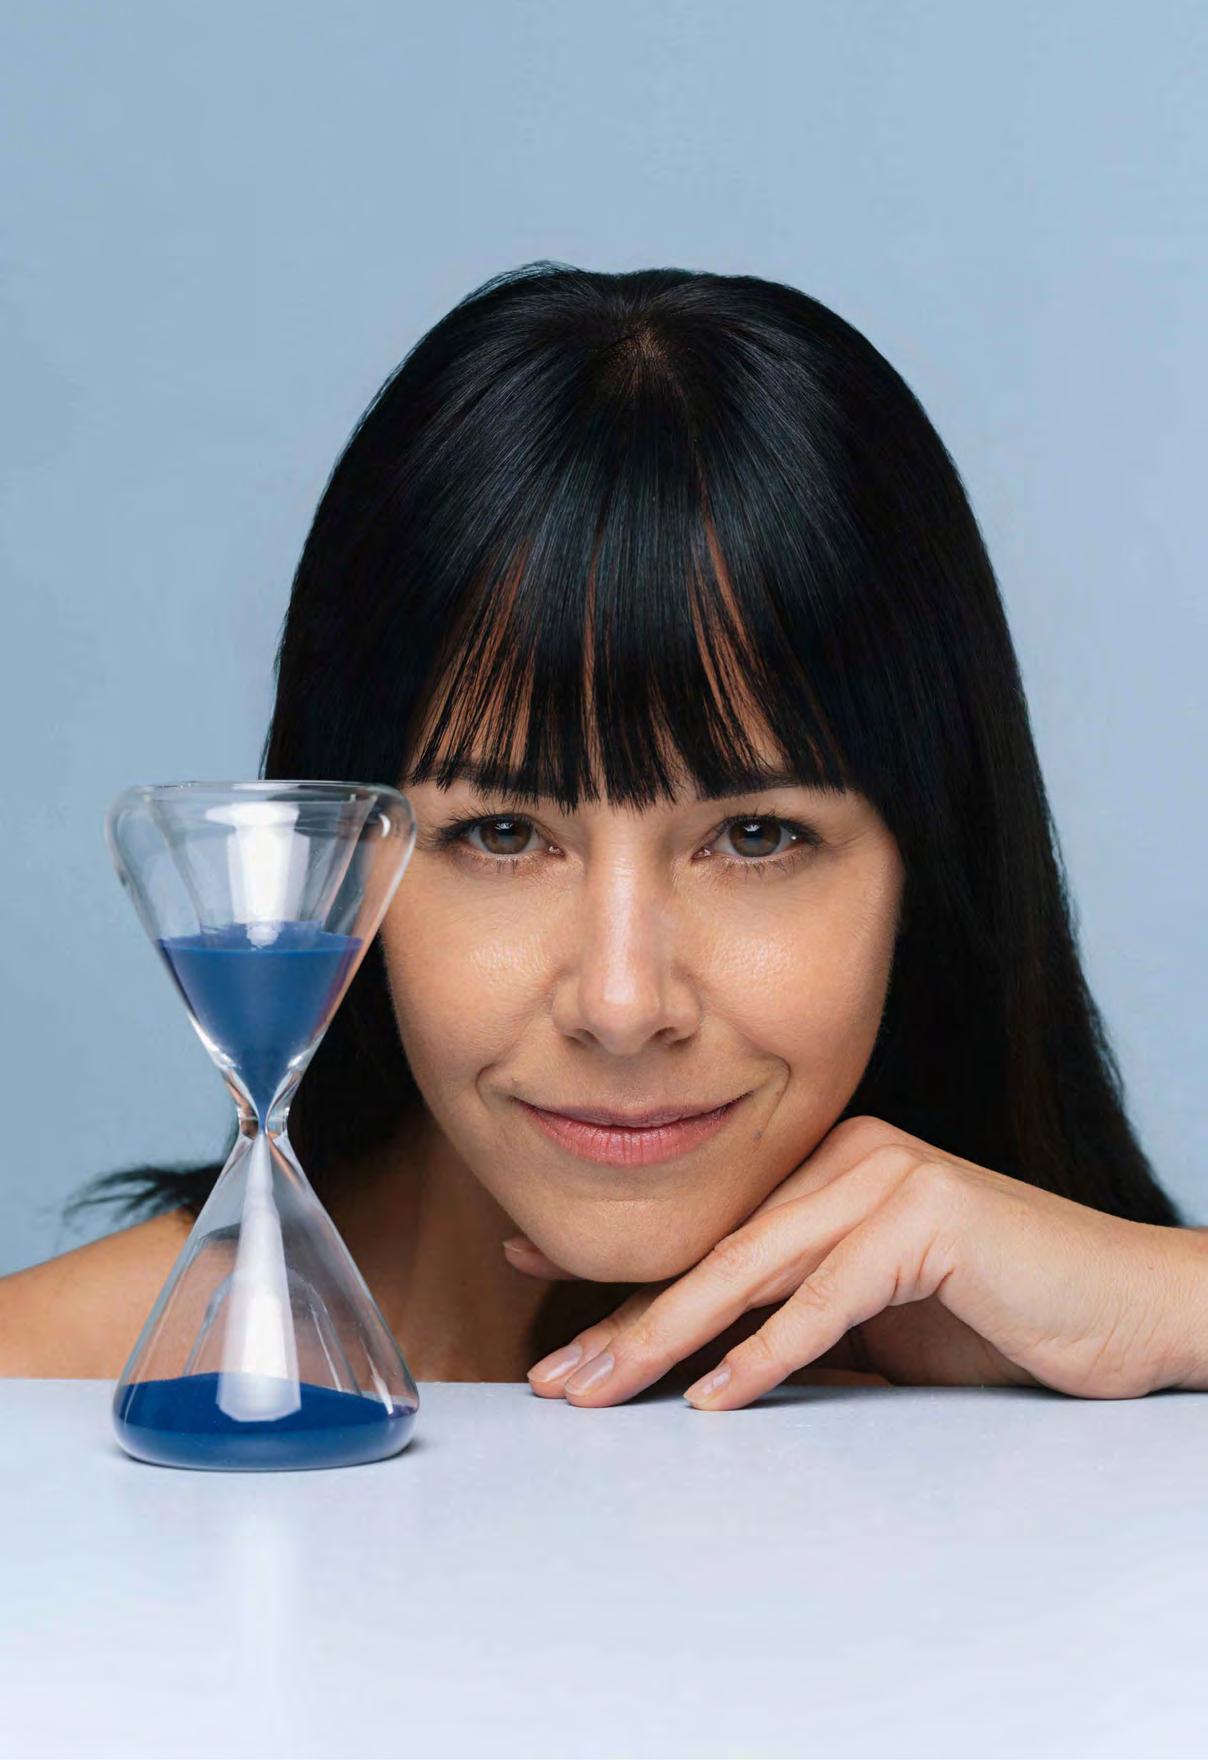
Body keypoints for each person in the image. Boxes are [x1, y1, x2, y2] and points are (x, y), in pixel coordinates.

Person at [2, 260, 1203, 1407]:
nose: (622, 1004)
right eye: (503, 832)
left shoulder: (1122, 1354)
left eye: (754, 835)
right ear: (343, 865)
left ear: (929, 868)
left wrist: (1164, 1303)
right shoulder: (44, 1389)